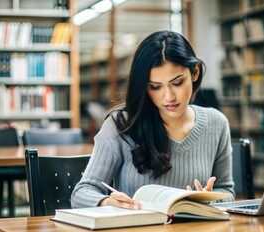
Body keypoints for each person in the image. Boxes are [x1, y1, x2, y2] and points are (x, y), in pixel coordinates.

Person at [71, 30, 234, 210]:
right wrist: (107, 201)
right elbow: (82, 193)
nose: (169, 97)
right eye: (155, 87)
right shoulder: (121, 125)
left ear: (195, 73)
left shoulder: (217, 124)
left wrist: (208, 201)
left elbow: (227, 191)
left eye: (177, 83)